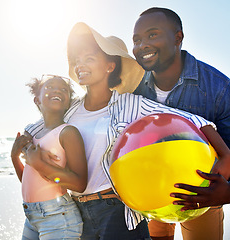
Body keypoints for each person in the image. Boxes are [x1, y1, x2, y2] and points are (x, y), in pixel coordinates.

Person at [24, 22, 230, 240]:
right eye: (78, 61)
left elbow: (193, 119)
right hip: (76, 211)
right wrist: (21, 147)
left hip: (115, 210)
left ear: (109, 66)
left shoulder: (131, 105)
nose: (80, 65)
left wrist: (225, 154)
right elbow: (40, 131)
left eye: (89, 59)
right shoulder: (70, 110)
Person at [132, 7, 230, 240]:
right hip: (151, 199)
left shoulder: (218, 88)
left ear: (178, 38)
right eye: (136, 39)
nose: (142, 44)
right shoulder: (133, 88)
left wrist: (226, 193)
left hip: (201, 198)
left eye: (152, 35)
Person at [11, 74, 88, 239]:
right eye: (50, 87)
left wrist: (40, 164)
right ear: (37, 100)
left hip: (59, 218)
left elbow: (79, 183)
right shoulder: (33, 135)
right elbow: (28, 181)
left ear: (68, 102)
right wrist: (14, 157)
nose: (57, 90)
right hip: (31, 216)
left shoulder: (68, 133)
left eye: (63, 89)